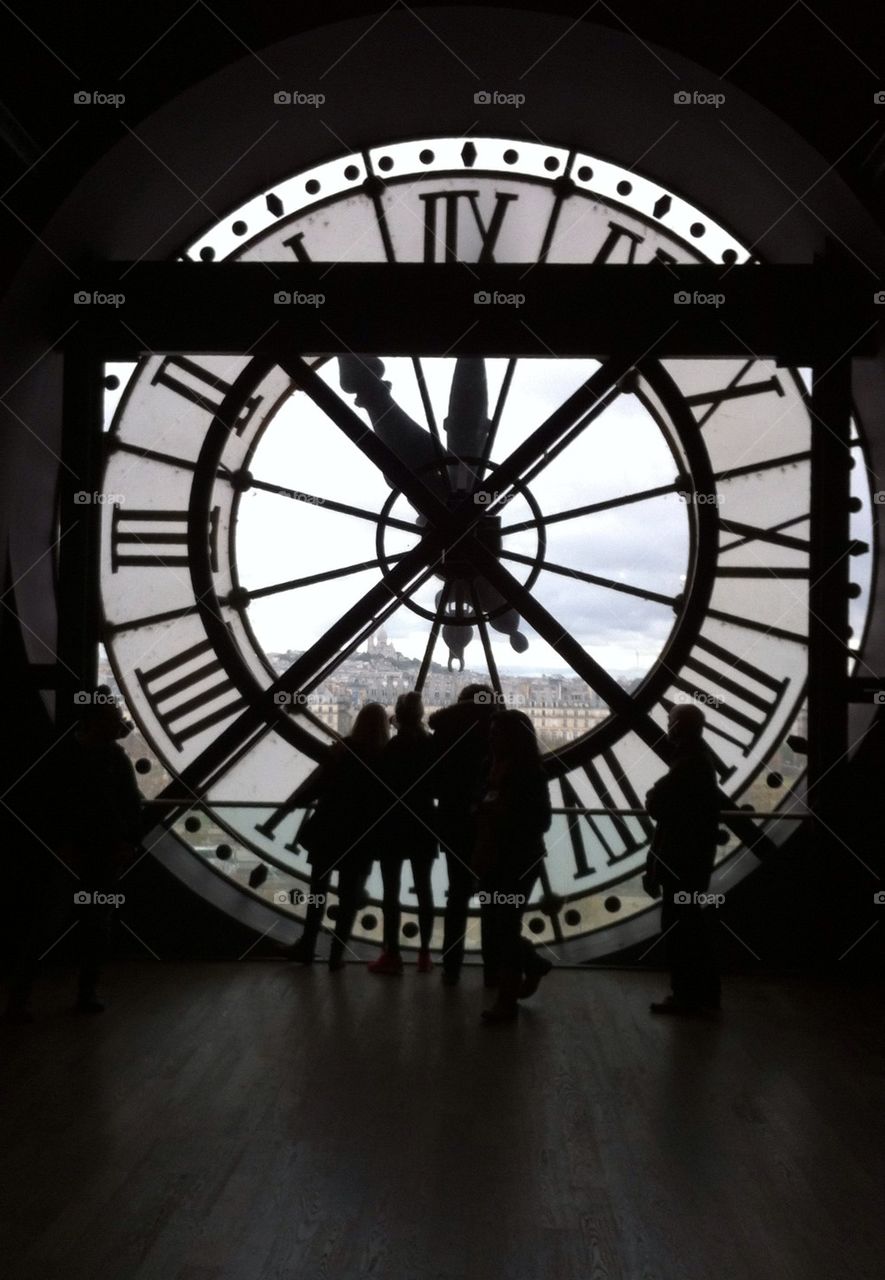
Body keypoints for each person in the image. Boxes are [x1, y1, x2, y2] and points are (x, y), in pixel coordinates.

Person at [5, 691, 143, 1020]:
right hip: (103, 855)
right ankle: (86, 993)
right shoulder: (116, 759)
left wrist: (60, 845)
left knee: (46, 928)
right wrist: (127, 842)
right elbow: (131, 807)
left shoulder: (62, 757)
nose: (120, 724)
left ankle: (20, 1000)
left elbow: (43, 808)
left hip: (70, 855)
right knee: (96, 926)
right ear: (99, 722)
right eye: (114, 717)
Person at [284, 702, 390, 970]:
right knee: (349, 897)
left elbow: (319, 785)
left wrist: (295, 802)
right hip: (361, 837)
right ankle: (336, 955)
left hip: (328, 830)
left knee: (318, 891)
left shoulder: (343, 751)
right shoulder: (384, 758)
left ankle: (307, 945)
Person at [473, 710, 552, 1023]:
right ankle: (514, 988)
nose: (491, 738)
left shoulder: (489, 769)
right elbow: (541, 820)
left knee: (498, 927)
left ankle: (510, 997)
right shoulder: (530, 772)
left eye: (496, 733)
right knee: (505, 926)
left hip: (495, 856)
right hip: (518, 858)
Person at [644, 702, 722, 1015]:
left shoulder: (689, 764)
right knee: (688, 929)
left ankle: (687, 994)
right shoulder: (699, 764)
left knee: (679, 930)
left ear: (678, 728)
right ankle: (696, 996)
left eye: (671, 722)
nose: (668, 727)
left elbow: (658, 804)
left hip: (678, 862)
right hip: (689, 862)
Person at [427, 683, 496, 985]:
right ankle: (492, 969)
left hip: (452, 820)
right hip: (487, 823)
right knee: (492, 897)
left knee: (457, 896)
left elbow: (433, 781)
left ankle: (451, 967)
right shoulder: (493, 734)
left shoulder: (444, 733)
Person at [368, 691, 437, 975]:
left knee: (391, 892)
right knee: (424, 890)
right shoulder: (430, 746)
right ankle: (424, 954)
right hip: (423, 821)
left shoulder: (393, 747)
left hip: (393, 824)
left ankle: (392, 953)